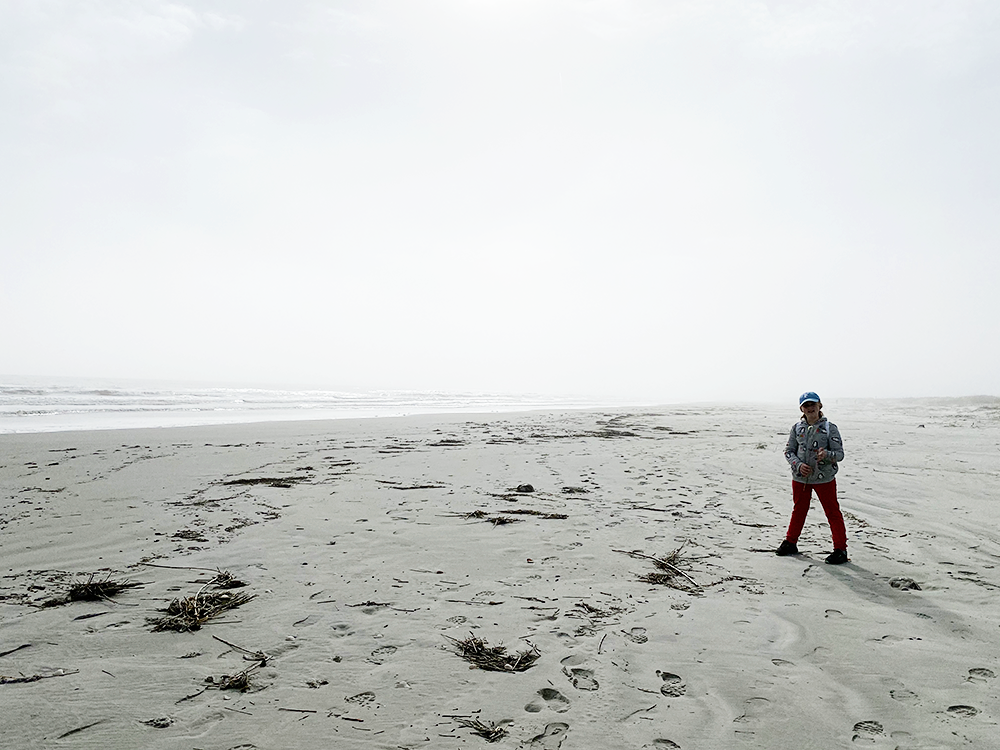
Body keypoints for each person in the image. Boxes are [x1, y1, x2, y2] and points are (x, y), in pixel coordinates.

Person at [776, 392, 849, 564]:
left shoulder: (830, 428)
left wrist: (827, 455)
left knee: (832, 512)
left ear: (820, 406)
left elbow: (840, 454)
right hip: (801, 478)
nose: (810, 408)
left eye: (813, 404)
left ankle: (840, 549)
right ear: (801, 408)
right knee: (798, 510)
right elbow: (788, 451)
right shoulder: (797, 428)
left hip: (824, 478)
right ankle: (790, 542)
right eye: (806, 405)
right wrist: (798, 465)